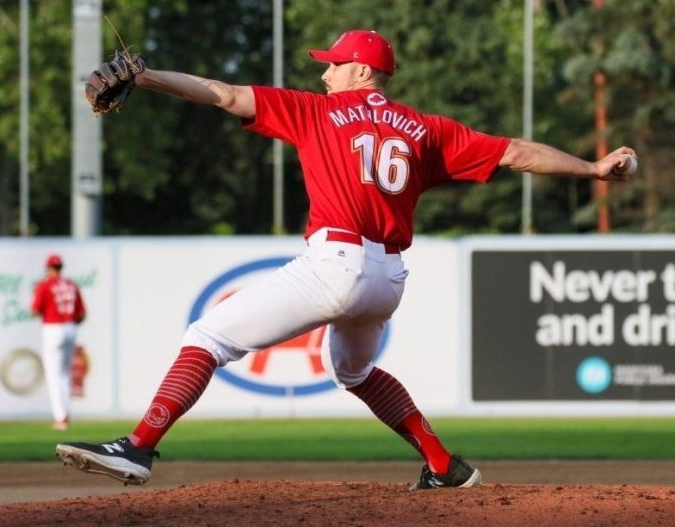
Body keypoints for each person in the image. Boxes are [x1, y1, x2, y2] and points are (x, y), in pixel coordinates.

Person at [56, 29, 636, 488]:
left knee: (207, 337)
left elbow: (224, 94)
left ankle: (138, 447)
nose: (323, 71)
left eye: (333, 62)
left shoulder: (315, 111)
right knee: (353, 370)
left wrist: (148, 76)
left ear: (362, 71)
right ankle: (444, 466)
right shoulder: (426, 129)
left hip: (335, 264)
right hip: (387, 277)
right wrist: (591, 168)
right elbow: (516, 152)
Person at [32, 254, 86, 430]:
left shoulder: (45, 285)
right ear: (61, 267)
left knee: (53, 375)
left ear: (48, 268)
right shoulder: (71, 285)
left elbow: (35, 310)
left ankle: (60, 417)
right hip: (71, 327)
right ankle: (65, 413)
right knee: (65, 374)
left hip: (53, 328)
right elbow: (82, 314)